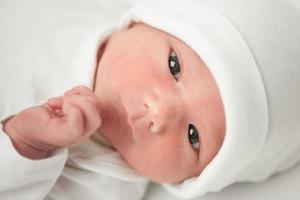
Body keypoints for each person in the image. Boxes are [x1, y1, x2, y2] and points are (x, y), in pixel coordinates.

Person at [1, 0, 300, 199]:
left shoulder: (102, 186)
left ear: (191, 181)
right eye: (174, 66)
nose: (160, 112)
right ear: (143, 20)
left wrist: (26, 145)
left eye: (194, 136)